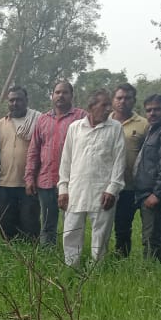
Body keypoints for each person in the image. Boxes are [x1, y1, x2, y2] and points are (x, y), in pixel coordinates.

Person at [57, 89, 125, 266]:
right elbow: (66, 160)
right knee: (71, 232)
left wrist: (112, 189)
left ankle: (97, 270)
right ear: (91, 106)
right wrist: (63, 189)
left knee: (100, 236)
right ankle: (71, 267)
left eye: (109, 105)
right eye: (104, 105)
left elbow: (119, 161)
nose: (108, 109)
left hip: (102, 192)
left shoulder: (115, 127)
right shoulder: (75, 127)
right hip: (76, 190)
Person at [25, 80, 86, 246]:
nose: (61, 95)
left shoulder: (81, 117)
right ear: (52, 96)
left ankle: (71, 254)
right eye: (57, 92)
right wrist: (29, 177)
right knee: (47, 223)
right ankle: (47, 253)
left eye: (65, 92)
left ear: (72, 95)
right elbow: (33, 150)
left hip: (73, 181)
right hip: (46, 180)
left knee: (71, 223)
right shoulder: (43, 119)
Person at [132, 94, 161, 260]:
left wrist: (157, 193)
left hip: (153, 192)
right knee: (157, 231)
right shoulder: (153, 129)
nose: (152, 113)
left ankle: (151, 268)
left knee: (151, 236)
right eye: (149, 110)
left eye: (157, 109)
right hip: (145, 190)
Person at [0, 86, 40, 241]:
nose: (15, 103)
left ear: (26, 101)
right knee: (5, 221)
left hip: (29, 182)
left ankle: (31, 249)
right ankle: (10, 248)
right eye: (11, 100)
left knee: (29, 221)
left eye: (19, 100)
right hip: (4, 181)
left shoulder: (38, 121)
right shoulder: (1, 123)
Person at [111, 83, 148, 257]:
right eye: (119, 98)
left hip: (131, 185)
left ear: (134, 100)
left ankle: (121, 258)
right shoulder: (105, 121)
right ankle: (100, 257)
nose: (122, 101)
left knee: (123, 226)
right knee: (103, 225)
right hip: (107, 185)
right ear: (113, 100)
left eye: (127, 98)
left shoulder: (144, 124)